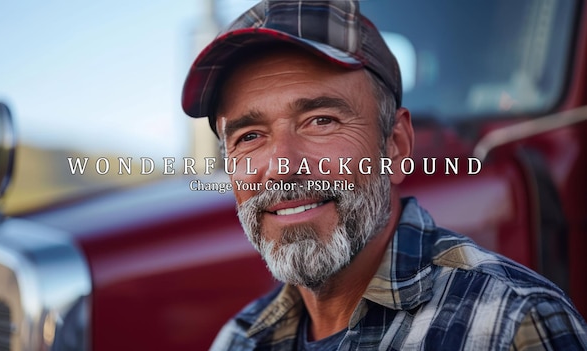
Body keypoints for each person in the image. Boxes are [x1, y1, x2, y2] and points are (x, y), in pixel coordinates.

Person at [181, 1, 587, 350]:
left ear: (395, 145)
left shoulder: (511, 323)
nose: (282, 165)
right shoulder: (239, 340)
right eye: (249, 136)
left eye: (321, 121)